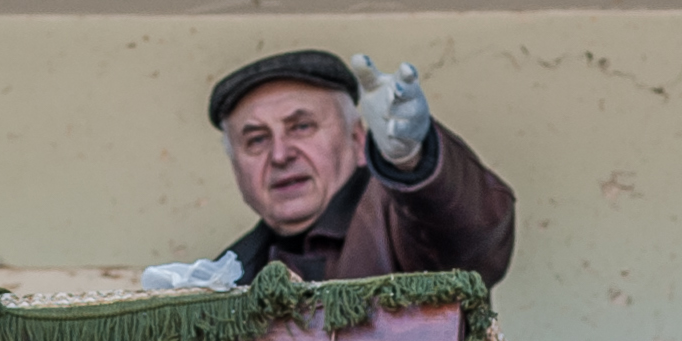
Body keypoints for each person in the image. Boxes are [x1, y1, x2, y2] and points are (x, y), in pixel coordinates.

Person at [210, 48, 515, 287]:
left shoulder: (402, 219)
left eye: (301, 127)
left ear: (358, 140)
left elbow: (470, 238)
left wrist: (413, 160)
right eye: (256, 140)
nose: (279, 155)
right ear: (235, 166)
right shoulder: (222, 278)